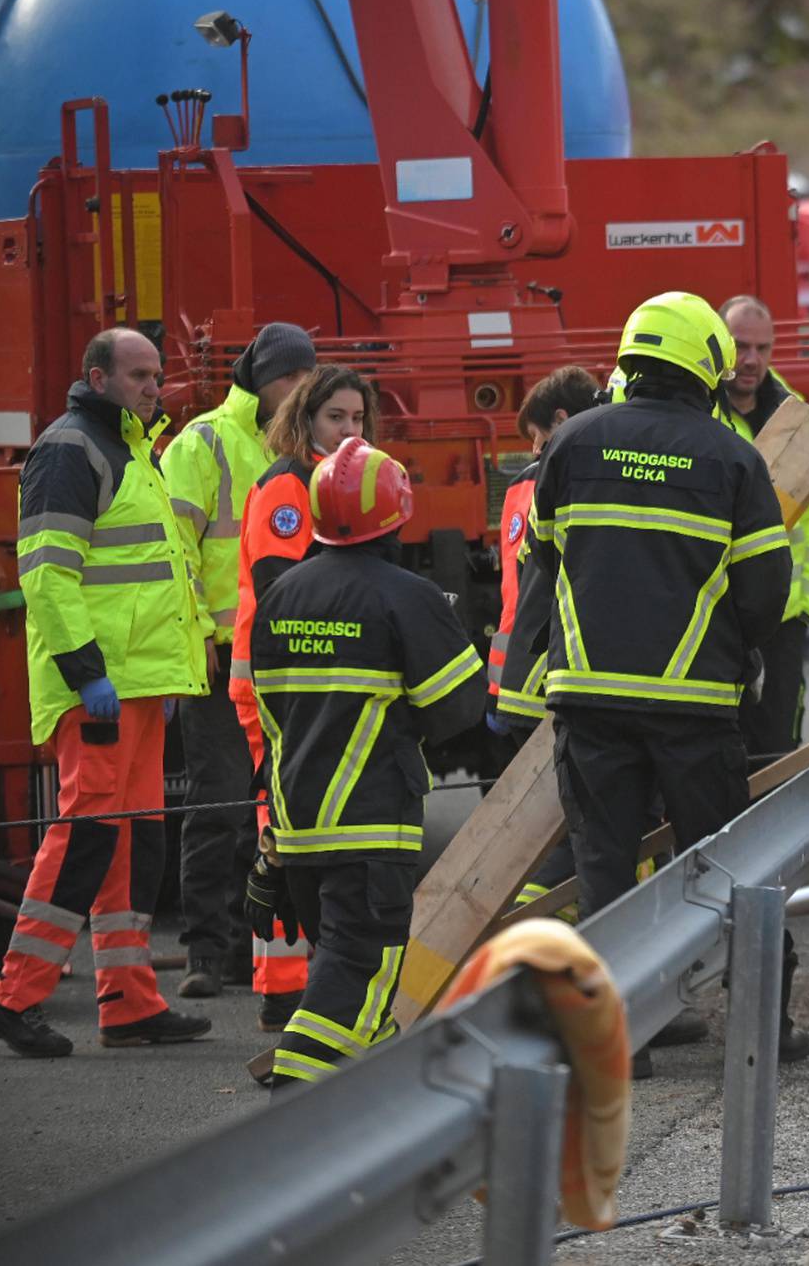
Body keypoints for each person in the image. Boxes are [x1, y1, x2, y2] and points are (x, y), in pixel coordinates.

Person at [507, 290, 804, 1077]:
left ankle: (619, 1040)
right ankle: (763, 1024)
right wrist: (734, 654)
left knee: (604, 870)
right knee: (727, 864)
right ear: (707, 364)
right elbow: (767, 593)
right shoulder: (733, 458)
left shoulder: (571, 445)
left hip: (589, 699)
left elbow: (542, 561)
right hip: (695, 706)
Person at [0, 327, 213, 1057]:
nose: (153, 385)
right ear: (96, 377)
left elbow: (158, 569)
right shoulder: (71, 449)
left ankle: (129, 1002)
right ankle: (13, 998)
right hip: (100, 688)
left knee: (132, 841)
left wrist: (169, 675)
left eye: (158, 374)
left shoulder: (133, 449)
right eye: (138, 374)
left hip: (138, 684)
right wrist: (88, 673)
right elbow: (46, 574)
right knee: (86, 836)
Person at [245, 438, 485, 1090]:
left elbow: (268, 715)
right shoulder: (405, 596)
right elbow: (456, 709)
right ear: (397, 514)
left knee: (358, 989)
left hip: (299, 831)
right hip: (372, 827)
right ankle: (295, 1109)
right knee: (358, 979)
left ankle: (381, 1123)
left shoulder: (279, 597)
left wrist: (270, 841)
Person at [162, 321, 317, 999]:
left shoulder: (309, 450)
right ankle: (207, 951)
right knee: (220, 804)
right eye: (290, 377)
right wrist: (198, 634)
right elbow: (177, 553)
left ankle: (263, 949)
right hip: (225, 656)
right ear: (261, 379)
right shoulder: (204, 442)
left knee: (276, 809)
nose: (298, 389)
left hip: (288, 660)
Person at [228, 365, 377, 1031]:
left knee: (303, 816)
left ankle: (299, 979)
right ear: (305, 420)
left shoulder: (332, 481)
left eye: (358, 419)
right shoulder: (286, 485)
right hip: (278, 681)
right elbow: (279, 585)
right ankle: (281, 988)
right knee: (281, 821)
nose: (350, 430)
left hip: (307, 676)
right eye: (335, 418)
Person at [489, 364, 601, 922]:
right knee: (574, 826)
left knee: (549, 824)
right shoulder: (577, 477)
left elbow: (514, 590)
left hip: (525, 678)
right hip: (558, 676)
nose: (536, 453)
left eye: (537, 442)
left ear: (558, 421)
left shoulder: (526, 485)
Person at [717, 295, 809, 762]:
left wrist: (804, 604)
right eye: (740, 345)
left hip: (780, 620)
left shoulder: (794, 415)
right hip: (714, 619)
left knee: (777, 752)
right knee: (718, 753)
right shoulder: (699, 414)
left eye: (762, 348)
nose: (751, 360)